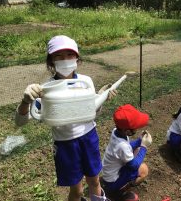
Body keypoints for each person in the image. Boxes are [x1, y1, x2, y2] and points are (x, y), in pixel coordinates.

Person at [15, 35, 116, 201]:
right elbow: (20, 122)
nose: (65, 60)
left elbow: (92, 113)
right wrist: (26, 101)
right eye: (59, 56)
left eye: (70, 54)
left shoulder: (86, 82)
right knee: (76, 190)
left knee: (95, 181)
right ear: (51, 61)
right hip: (65, 144)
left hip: (89, 138)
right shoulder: (45, 89)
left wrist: (100, 97)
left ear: (77, 58)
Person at [101, 104, 152, 201]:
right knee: (143, 170)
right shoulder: (122, 146)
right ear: (128, 131)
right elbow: (133, 166)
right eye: (136, 127)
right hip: (112, 182)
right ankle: (118, 192)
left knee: (137, 155)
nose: (137, 128)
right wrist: (144, 146)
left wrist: (139, 140)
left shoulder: (117, 131)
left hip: (109, 175)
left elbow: (128, 147)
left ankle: (116, 188)